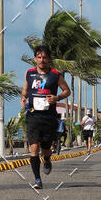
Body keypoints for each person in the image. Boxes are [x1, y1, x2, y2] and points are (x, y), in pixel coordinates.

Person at [21, 45, 70, 189]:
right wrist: (23, 99)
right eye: (39, 57)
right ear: (35, 58)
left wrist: (57, 97)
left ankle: (47, 159)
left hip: (49, 117)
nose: (42, 60)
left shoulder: (55, 75)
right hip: (33, 115)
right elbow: (25, 91)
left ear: (49, 59)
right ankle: (37, 179)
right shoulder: (29, 74)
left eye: (45, 57)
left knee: (46, 148)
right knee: (34, 147)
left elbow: (67, 91)